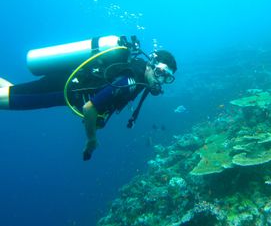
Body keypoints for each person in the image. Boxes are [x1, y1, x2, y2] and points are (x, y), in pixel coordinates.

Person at [0, 36, 177, 161]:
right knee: (13, 100)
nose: (160, 80)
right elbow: (89, 108)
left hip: (66, 83)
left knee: (13, 93)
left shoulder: (140, 78)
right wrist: (91, 139)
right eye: (160, 72)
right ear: (151, 64)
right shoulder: (130, 81)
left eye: (166, 78)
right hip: (62, 88)